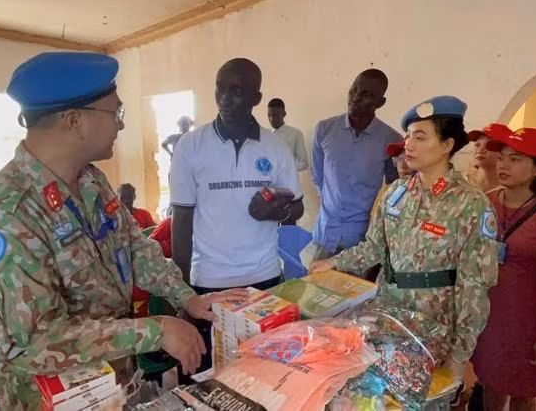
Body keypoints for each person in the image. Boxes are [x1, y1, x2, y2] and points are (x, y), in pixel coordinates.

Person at [0, 52, 246, 410]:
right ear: (75, 121)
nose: (120, 126)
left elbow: (134, 247)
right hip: (48, 400)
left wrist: (187, 298)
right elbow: (32, 342)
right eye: (116, 113)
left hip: (112, 383)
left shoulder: (91, 181)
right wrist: (157, 330)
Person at [311, 95, 499, 385]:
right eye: (409, 135)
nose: (408, 145)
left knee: (423, 398)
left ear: (447, 145)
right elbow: (373, 247)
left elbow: (474, 288)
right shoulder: (397, 193)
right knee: (378, 393)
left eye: (420, 137)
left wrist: (460, 355)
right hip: (387, 317)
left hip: (434, 328)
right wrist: (334, 262)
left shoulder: (471, 204)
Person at [171, 58, 304, 372]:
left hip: (265, 281)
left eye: (236, 91)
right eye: (220, 88)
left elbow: (297, 208)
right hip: (208, 283)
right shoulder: (191, 146)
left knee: (265, 374)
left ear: (257, 98)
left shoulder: (275, 148)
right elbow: (182, 222)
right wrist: (183, 294)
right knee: (209, 374)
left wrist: (276, 211)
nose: (224, 98)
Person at [470, 128, 536, 411]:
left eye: (515, 159)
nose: (503, 165)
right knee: (489, 380)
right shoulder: (486, 203)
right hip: (489, 311)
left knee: (524, 390)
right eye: (502, 157)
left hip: (528, 318)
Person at [311, 69, 403, 260]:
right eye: (354, 90)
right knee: (316, 279)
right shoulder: (324, 130)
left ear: (380, 102)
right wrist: (331, 206)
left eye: (366, 94)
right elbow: (318, 176)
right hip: (326, 235)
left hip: (362, 243)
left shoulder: (391, 139)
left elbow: (394, 188)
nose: (355, 97)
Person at [466, 123, 512, 192]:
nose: (480, 150)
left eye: (488, 145)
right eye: (477, 145)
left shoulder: (513, 191)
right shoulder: (460, 183)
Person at [267, 98, 309, 172]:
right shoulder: (265, 135)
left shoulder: (296, 134)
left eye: (275, 115)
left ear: (284, 114)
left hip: (288, 178)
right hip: (268, 178)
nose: (272, 119)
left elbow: (304, 163)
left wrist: (286, 168)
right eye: (269, 115)